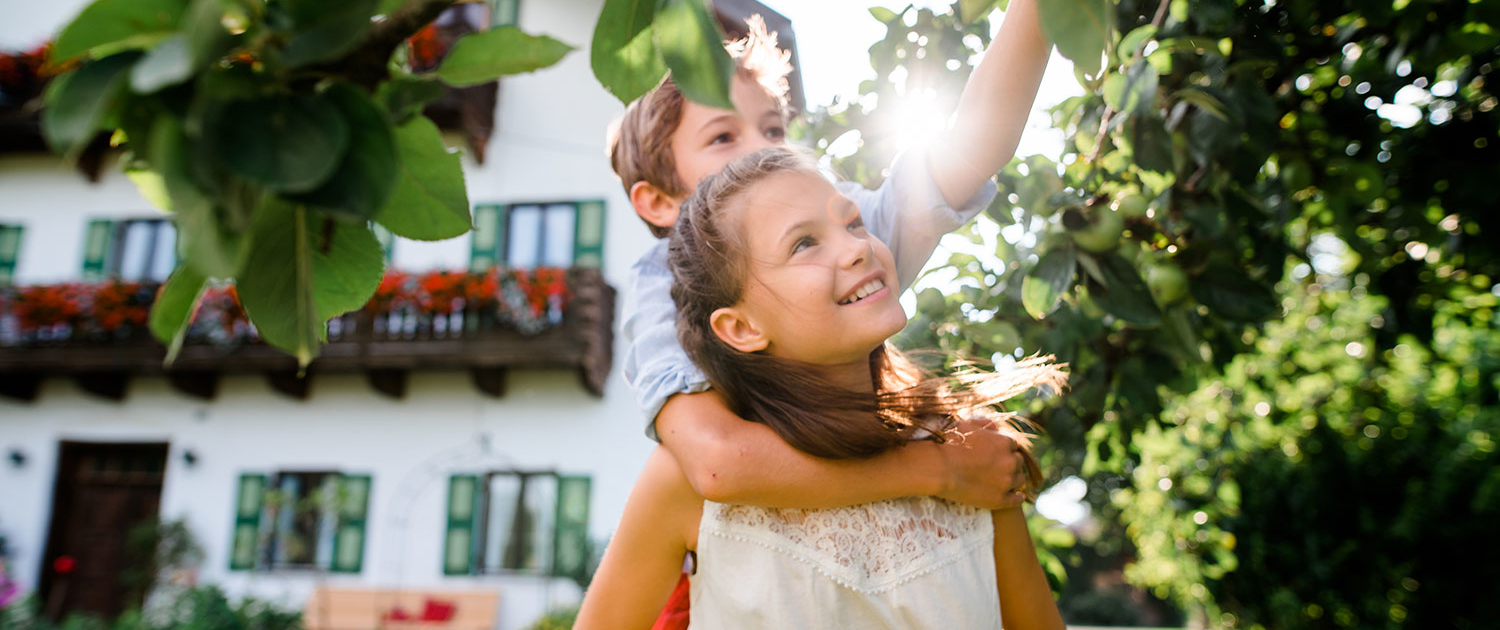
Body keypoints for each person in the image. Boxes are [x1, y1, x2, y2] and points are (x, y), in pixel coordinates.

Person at [578, 147, 1067, 628]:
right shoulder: (683, 484)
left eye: (852, 222)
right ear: (742, 328)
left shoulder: (974, 457)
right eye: (803, 244)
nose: (858, 246)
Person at [612, 0, 1053, 517]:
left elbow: (971, 148)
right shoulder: (661, 280)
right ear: (659, 202)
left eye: (774, 130)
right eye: (723, 137)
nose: (762, 151)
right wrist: (937, 471)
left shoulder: (841, 232)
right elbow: (716, 460)